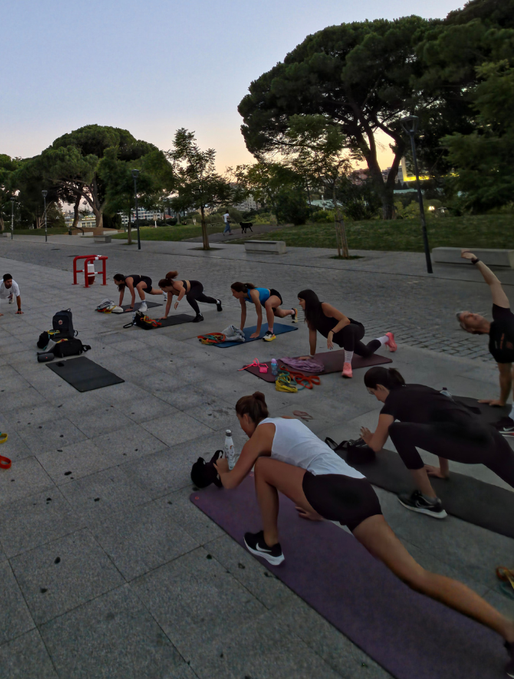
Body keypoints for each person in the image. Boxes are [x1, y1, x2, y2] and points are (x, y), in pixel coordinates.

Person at [213, 392, 514, 671]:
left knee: (263, 467)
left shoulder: (260, 436)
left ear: (246, 418)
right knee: (417, 576)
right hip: (359, 488)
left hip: (333, 491)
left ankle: (270, 543)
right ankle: (507, 628)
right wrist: (320, 506)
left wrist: (222, 468)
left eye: (241, 424)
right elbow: (311, 461)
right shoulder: (289, 422)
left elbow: (231, 483)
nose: (242, 430)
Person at [359, 366, 514, 518]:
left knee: (397, 431)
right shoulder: (417, 388)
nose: (377, 398)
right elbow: (441, 425)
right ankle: (436, 486)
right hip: (488, 435)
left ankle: (429, 501)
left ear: (379, 387)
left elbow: (376, 446)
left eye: (373, 393)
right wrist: (443, 471)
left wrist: (369, 439)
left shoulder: (392, 403)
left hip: (470, 445)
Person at [455, 250, 514, 431]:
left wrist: (476, 260)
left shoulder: (501, 313)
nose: (473, 314)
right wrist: (501, 401)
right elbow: (505, 375)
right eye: (468, 317)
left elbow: (494, 282)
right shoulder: (495, 346)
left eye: (471, 312)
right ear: (469, 329)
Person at [297, 288, 396, 378]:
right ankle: (387, 337)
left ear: (309, 300)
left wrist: (331, 332)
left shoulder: (324, 307)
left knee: (348, 329)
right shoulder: (310, 317)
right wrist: (311, 355)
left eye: (301, 300)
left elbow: (345, 320)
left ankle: (347, 365)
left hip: (355, 329)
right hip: (345, 338)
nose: (299, 303)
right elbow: (312, 336)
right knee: (366, 353)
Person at [231, 283, 297, 338]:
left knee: (268, 304)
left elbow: (259, 315)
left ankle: (270, 332)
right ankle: (293, 311)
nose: (233, 295)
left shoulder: (253, 294)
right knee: (281, 314)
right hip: (265, 301)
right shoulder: (242, 298)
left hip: (273, 295)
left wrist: (257, 332)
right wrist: (241, 329)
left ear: (241, 291)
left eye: (234, 292)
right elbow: (243, 313)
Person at [157, 271, 222, 323]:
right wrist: (165, 316)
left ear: (167, 286)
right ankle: (218, 302)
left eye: (163, 288)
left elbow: (183, 290)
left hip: (196, 286)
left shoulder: (175, 285)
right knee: (204, 299)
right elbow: (168, 304)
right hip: (191, 291)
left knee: (189, 297)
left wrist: (177, 301)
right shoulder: (170, 292)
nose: (162, 290)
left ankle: (199, 315)